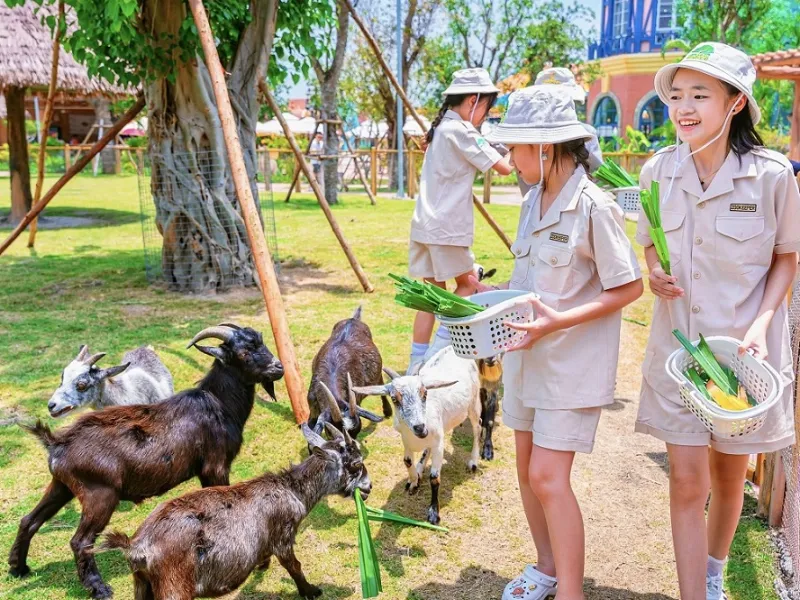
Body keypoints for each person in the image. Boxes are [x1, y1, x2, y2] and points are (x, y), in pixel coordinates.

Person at [634, 42, 800, 600]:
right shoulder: (657, 169)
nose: (683, 107)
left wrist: (762, 322)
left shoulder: (772, 175)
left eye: (699, 95)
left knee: (730, 479)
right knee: (687, 480)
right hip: (679, 357)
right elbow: (650, 246)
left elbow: (786, 258)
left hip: (742, 359)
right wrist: (654, 271)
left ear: (735, 103)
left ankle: (712, 570)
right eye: (676, 95)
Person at [477, 85, 643, 600]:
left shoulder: (594, 206)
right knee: (528, 471)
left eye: (515, 148)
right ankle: (546, 569)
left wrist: (555, 322)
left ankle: (571, 591)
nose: (509, 158)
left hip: (572, 366)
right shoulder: (532, 200)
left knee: (548, 477)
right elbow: (532, 284)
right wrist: (491, 299)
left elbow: (628, 286)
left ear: (545, 148)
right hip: (527, 359)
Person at [407, 67, 513, 372]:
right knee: (468, 283)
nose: (484, 115)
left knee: (431, 296)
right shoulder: (463, 131)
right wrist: (520, 144)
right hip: (447, 228)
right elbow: (504, 167)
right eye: (486, 108)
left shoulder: (440, 129)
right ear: (473, 100)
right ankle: (438, 352)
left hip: (424, 225)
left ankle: (416, 361)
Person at [514, 67, 604, 198]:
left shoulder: (522, 135)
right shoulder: (584, 132)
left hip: (567, 208)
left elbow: (598, 175)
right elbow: (598, 176)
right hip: (537, 207)